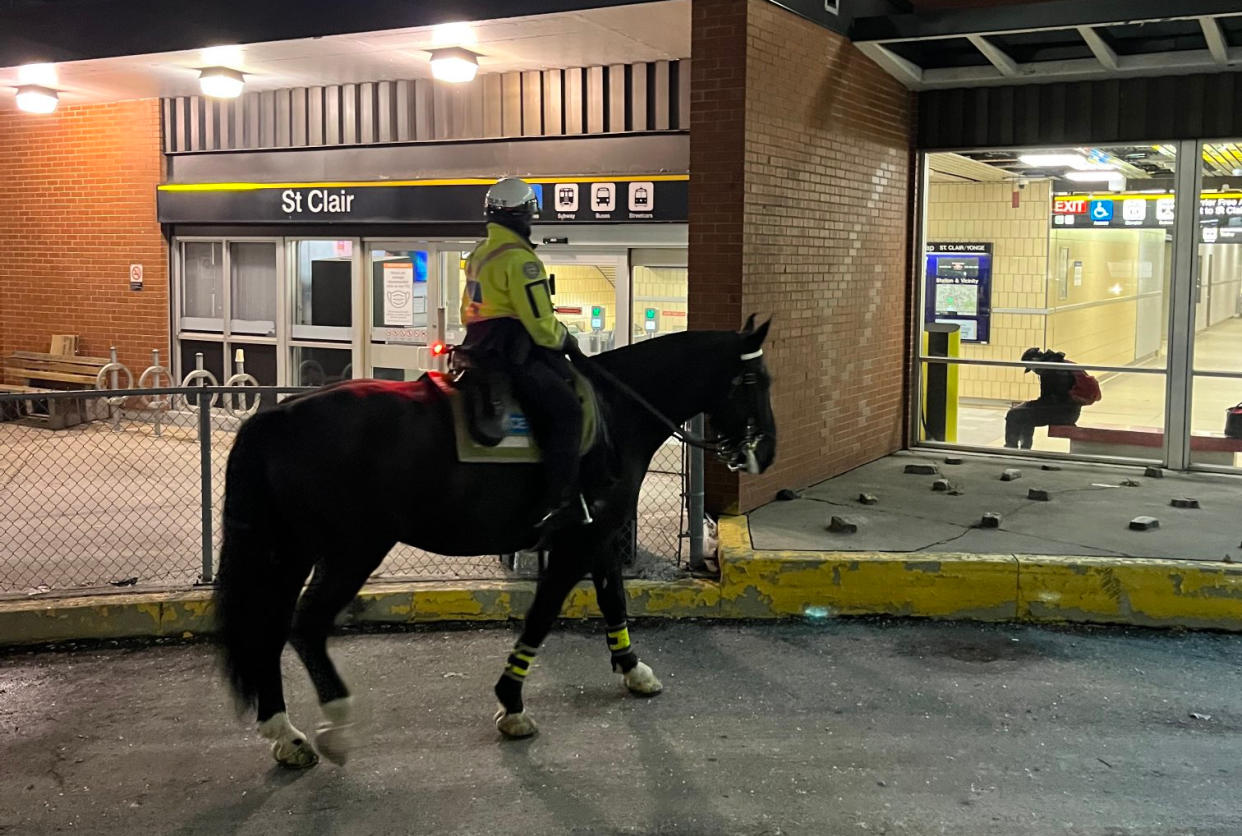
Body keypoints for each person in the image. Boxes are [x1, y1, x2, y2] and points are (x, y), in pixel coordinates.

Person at [460, 177, 587, 535]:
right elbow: (541, 324)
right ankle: (558, 504)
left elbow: (467, 310)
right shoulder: (521, 261)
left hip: (477, 348)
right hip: (512, 353)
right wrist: (566, 340)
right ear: (524, 216)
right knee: (567, 412)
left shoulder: (480, 253)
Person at [1004, 347, 1082, 449]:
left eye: (1031, 368)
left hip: (1062, 413)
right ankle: (1024, 448)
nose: (1033, 371)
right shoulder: (1056, 363)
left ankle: (1011, 448)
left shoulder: (1050, 370)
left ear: (1034, 361)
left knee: (1013, 414)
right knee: (1024, 412)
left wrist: (1028, 405)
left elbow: (1049, 401)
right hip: (1069, 410)